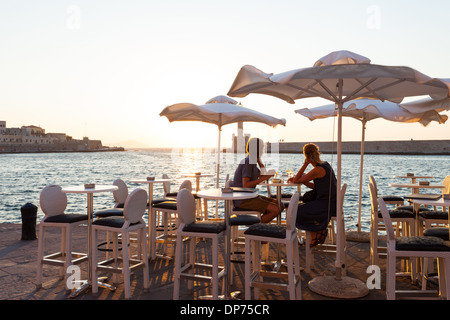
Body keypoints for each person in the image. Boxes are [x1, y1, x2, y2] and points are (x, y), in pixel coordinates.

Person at [287, 143, 337, 247]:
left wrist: (305, 164)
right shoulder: (325, 164)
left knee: (295, 210)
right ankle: (317, 232)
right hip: (331, 202)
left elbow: (296, 180)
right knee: (300, 207)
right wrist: (304, 180)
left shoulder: (318, 169)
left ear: (306, 156)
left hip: (326, 205)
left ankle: (318, 232)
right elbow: (318, 187)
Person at [231, 137, 284, 223]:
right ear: (258, 149)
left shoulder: (253, 162)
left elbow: (263, 174)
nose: (263, 150)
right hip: (243, 199)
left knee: (280, 205)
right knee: (276, 209)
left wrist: (259, 161)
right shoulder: (248, 162)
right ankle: (255, 229)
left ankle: (261, 228)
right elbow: (246, 185)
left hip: (250, 196)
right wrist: (266, 177)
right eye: (262, 148)